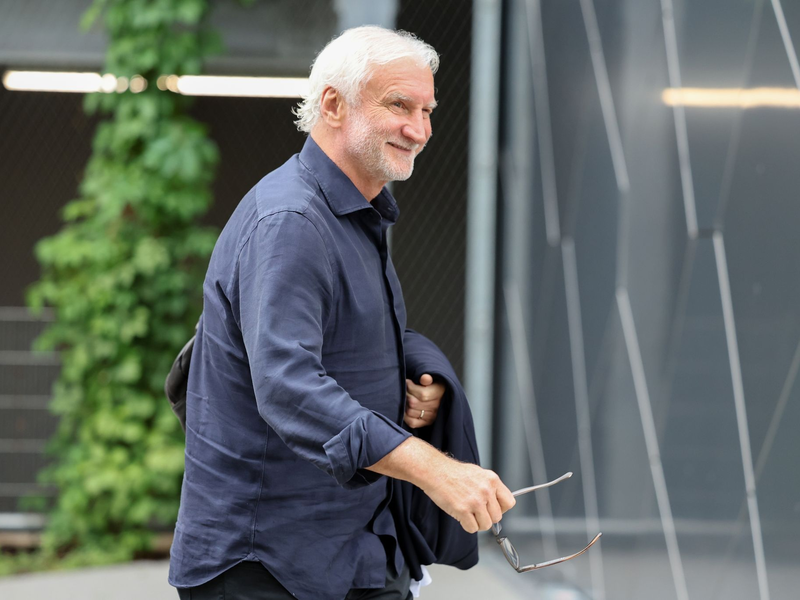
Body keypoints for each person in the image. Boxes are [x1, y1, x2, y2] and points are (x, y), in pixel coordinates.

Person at [169, 25, 515, 600]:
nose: (420, 129)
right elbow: (288, 384)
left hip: (348, 552)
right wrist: (438, 471)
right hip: (268, 566)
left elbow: (354, 341)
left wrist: (414, 381)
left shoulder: (356, 211)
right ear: (332, 103)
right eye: (399, 105)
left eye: (428, 110)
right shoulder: (292, 222)